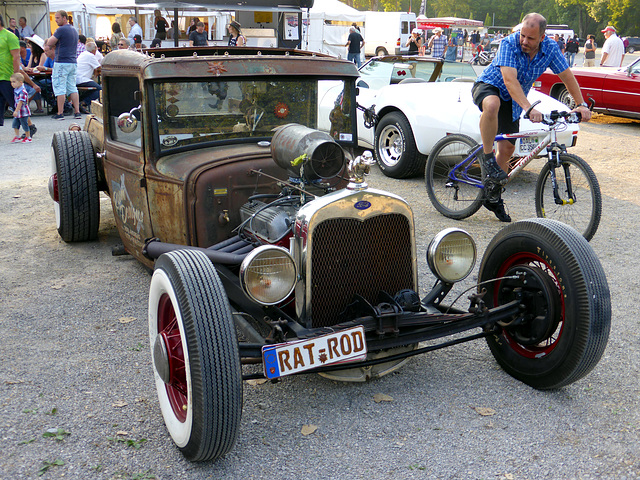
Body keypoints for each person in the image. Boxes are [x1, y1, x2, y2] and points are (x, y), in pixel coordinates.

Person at [472, 12, 591, 222]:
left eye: (531, 38)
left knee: (508, 149)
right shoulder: (510, 43)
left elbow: (567, 76)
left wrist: (580, 104)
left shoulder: (551, 49)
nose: (525, 41)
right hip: (490, 86)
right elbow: (509, 81)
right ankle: (487, 155)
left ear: (542, 37)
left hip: (514, 100)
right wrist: (528, 108)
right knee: (492, 104)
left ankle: (493, 194)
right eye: (523, 36)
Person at [46, 10, 81, 120]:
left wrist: (54, 42)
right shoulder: (74, 30)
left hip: (61, 62)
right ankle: (77, 112)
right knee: (72, 87)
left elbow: (50, 42)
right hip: (72, 62)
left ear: (64, 18)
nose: (56, 20)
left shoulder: (61, 29)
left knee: (59, 87)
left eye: (57, 18)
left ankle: (60, 113)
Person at [0, 13, 21, 134]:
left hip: (7, 76)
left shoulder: (9, 36)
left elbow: (16, 57)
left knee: (15, 103)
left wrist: (16, 75)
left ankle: (30, 126)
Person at [76, 41, 101, 114]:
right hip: (83, 79)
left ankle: (78, 101)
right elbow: (99, 67)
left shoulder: (82, 54)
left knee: (92, 89)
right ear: (94, 49)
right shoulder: (91, 56)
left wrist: (95, 69)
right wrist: (96, 70)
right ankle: (84, 102)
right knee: (100, 89)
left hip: (76, 79)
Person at [9, 72, 31, 142]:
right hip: (18, 112)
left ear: (20, 82)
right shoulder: (16, 90)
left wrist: (16, 111)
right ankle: (17, 136)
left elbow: (20, 102)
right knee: (15, 124)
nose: (12, 84)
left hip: (23, 112)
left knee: (24, 124)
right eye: (11, 82)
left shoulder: (22, 92)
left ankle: (28, 137)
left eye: (14, 82)